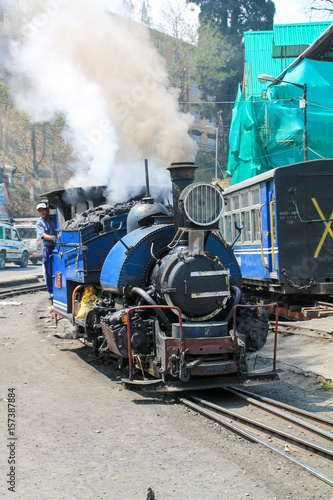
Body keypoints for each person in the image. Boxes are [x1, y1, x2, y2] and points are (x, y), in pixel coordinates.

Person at [36, 202, 57, 300]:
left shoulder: (55, 218)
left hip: (58, 247)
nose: (42, 212)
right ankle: (51, 291)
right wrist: (52, 238)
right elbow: (42, 234)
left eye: (43, 210)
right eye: (40, 211)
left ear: (47, 210)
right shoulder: (40, 222)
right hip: (48, 247)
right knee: (49, 270)